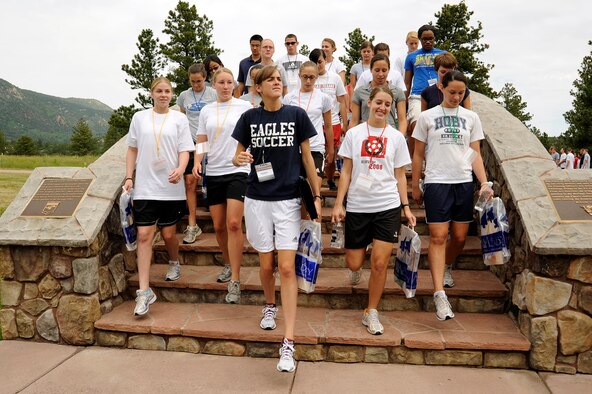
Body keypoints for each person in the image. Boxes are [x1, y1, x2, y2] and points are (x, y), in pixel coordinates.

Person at [231, 65, 321, 373]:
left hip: (287, 200)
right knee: (266, 265)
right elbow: (237, 154)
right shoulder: (248, 118)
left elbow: (308, 157)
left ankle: (288, 343)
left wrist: (318, 197)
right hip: (257, 200)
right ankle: (270, 305)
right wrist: (238, 158)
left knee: (285, 267)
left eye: (279, 79)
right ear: (257, 87)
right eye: (270, 80)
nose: (276, 83)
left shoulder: (296, 115)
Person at [332, 86, 416, 335]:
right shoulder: (355, 134)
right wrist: (339, 203)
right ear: (369, 103)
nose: (382, 107)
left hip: (386, 206)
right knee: (355, 263)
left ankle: (372, 311)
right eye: (379, 102)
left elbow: (400, 175)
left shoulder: (396, 137)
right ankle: (361, 253)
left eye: (387, 104)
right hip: (358, 205)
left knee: (379, 264)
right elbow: (346, 171)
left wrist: (406, 207)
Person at [411, 70, 492, 321]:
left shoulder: (471, 118)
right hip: (437, 182)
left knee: (458, 238)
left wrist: (484, 182)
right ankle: (439, 294)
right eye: (452, 92)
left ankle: (446, 264)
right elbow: (418, 154)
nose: (456, 97)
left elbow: (474, 152)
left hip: (463, 182)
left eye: (461, 93)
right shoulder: (427, 117)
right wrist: (416, 184)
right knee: (438, 237)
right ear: (441, 88)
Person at [123, 77, 195, 316]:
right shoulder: (139, 118)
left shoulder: (179, 118)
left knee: (168, 234)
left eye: (167, 91)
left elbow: (185, 149)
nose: (163, 94)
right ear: (151, 93)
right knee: (144, 235)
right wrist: (129, 177)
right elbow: (132, 148)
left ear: (172, 94)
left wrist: (181, 168)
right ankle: (144, 292)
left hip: (170, 187)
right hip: (145, 187)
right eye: (159, 91)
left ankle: (174, 261)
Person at [192, 68, 253, 300]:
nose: (226, 86)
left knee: (234, 223)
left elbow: (252, 135)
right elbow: (202, 140)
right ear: (213, 85)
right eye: (221, 82)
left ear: (234, 86)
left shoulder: (244, 108)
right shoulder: (207, 110)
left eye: (229, 82)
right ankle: (228, 263)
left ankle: (236, 279)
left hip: (238, 170)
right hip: (214, 173)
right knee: (219, 227)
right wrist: (198, 161)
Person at [177, 64, 217, 244]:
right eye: (193, 82)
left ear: (205, 79)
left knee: (212, 181)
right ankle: (192, 225)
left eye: (199, 81)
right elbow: (183, 117)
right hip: (192, 143)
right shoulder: (184, 96)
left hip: (210, 143)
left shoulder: (213, 94)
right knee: (190, 181)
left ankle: (220, 224)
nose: (196, 85)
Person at [283, 61, 334, 194]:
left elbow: (328, 126)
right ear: (299, 76)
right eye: (305, 76)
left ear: (316, 77)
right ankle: (302, 216)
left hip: (315, 147)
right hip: (295, 149)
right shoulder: (289, 98)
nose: (308, 80)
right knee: (296, 191)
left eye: (312, 77)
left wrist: (331, 149)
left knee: (313, 191)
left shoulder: (323, 98)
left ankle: (315, 215)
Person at [309, 48, 349, 190]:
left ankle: (330, 179)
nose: (317, 65)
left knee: (332, 154)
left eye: (320, 61)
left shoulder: (335, 78)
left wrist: (345, 122)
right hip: (315, 123)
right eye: (314, 62)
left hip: (333, 122)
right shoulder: (309, 79)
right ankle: (315, 181)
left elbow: (342, 101)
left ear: (325, 61)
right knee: (316, 154)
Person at [405, 25, 445, 144]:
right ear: (420, 40)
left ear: (434, 38)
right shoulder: (411, 56)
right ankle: (414, 159)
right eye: (424, 39)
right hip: (418, 95)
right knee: (415, 125)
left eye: (431, 39)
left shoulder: (443, 54)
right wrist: (404, 102)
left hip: (439, 94)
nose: (428, 42)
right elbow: (407, 82)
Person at [350, 54, 407, 134]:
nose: (380, 74)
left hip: (389, 134)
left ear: (388, 70)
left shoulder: (397, 92)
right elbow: (354, 120)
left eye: (384, 70)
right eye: (377, 70)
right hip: (365, 134)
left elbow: (402, 120)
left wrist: (400, 139)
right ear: (371, 69)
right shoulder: (359, 92)